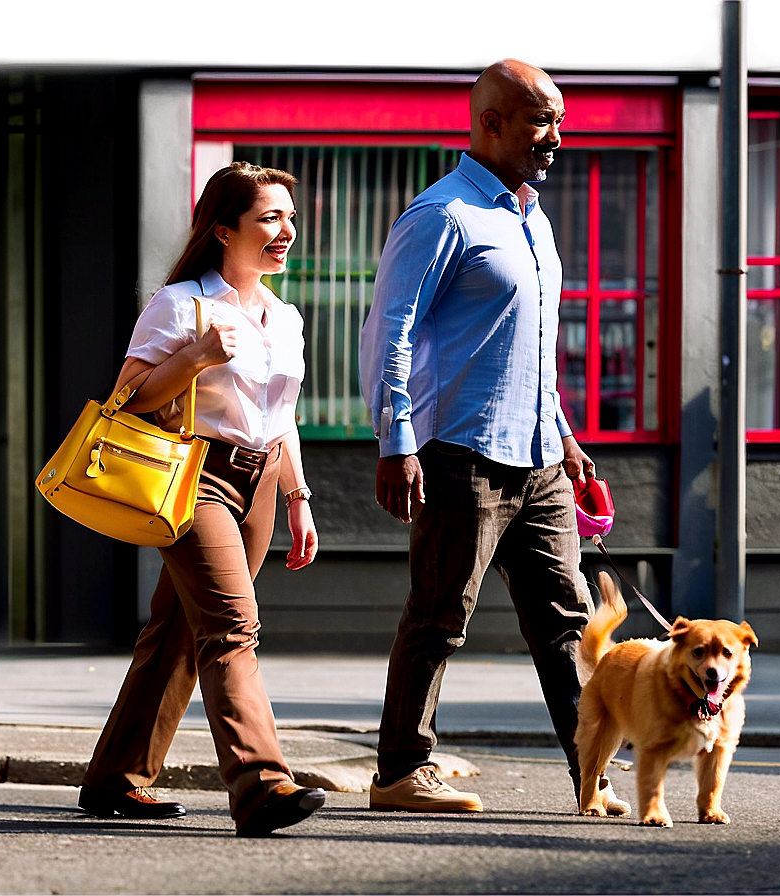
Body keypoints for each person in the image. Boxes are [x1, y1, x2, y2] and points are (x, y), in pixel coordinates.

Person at [359, 60, 629, 815]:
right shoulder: (440, 216)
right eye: (542, 119)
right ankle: (401, 773)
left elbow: (527, 345)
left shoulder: (532, 217)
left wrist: (565, 435)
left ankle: (591, 775)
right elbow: (390, 335)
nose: (556, 135)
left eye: (559, 119)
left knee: (568, 624)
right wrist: (396, 441)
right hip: (459, 455)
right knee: (440, 616)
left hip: (538, 457)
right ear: (491, 122)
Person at [77, 161, 326, 837]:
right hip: (196, 476)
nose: (287, 231)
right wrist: (194, 358)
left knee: (180, 633)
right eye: (269, 218)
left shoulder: (285, 316)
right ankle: (261, 784)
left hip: (261, 482)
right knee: (232, 625)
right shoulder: (182, 303)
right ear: (224, 229)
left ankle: (114, 778)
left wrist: (298, 496)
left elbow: (283, 416)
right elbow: (126, 398)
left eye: (290, 218)